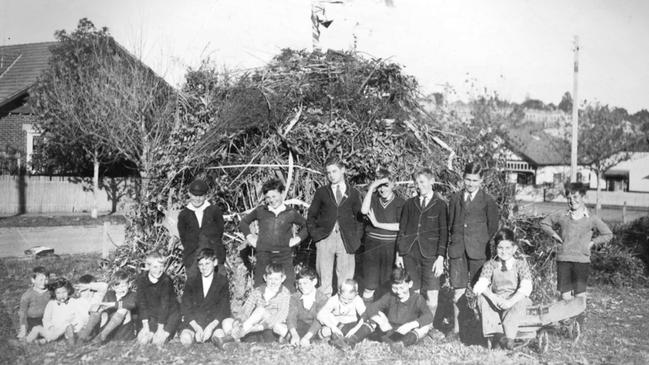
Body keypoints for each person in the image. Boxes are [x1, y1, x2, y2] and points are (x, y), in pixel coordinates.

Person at [447, 162, 499, 339]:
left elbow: (493, 227)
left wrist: (479, 240)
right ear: (463, 178)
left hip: (479, 251)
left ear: (481, 180)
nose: (470, 184)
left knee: (480, 290)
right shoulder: (455, 199)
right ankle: (456, 330)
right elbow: (450, 224)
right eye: (468, 179)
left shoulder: (487, 201)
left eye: (474, 180)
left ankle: (481, 330)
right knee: (458, 291)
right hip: (458, 251)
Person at [540, 182, 612, 302]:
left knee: (580, 296)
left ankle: (579, 320)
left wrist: (592, 242)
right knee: (565, 296)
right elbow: (544, 223)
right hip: (564, 259)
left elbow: (608, 234)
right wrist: (555, 236)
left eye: (575, 197)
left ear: (583, 197)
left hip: (581, 260)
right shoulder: (562, 215)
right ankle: (567, 320)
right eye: (569, 198)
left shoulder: (591, 218)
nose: (572, 201)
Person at [395, 168, 447, 333]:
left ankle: (428, 327)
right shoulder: (409, 204)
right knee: (414, 291)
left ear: (432, 182)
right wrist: (399, 254)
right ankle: (413, 325)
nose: (419, 186)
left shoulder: (440, 205)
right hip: (410, 254)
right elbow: (402, 230)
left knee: (432, 293)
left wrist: (440, 258)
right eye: (416, 183)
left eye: (422, 182)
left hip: (431, 255)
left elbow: (444, 233)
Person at [307, 157, 364, 297]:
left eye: (334, 171)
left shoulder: (354, 193)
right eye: (328, 172)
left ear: (343, 170)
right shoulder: (322, 192)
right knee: (324, 278)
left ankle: (343, 309)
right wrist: (317, 237)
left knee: (345, 279)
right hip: (325, 238)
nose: (331, 175)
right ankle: (323, 311)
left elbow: (360, 219)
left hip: (347, 240)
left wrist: (356, 238)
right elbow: (311, 216)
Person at [341, 267, 434, 352]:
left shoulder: (417, 298)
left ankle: (400, 345)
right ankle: (351, 341)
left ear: (410, 284)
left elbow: (429, 316)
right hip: (387, 332)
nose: (399, 292)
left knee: (425, 327)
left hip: (406, 334)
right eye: (395, 288)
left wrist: (411, 324)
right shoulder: (390, 296)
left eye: (402, 288)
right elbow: (371, 308)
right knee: (374, 318)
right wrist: (381, 321)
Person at [240, 178, 308, 291]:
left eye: (274, 196)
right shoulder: (261, 210)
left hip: (284, 256)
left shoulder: (290, 212)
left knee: (288, 288)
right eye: (268, 197)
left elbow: (307, 226)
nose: (271, 200)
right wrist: (250, 237)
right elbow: (244, 223)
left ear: (281, 194)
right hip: (263, 255)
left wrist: (298, 239)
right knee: (260, 287)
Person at [473, 228, 533, 350]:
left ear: (514, 248)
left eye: (507, 248)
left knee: (522, 302)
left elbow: (526, 286)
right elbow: (479, 286)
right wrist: (493, 298)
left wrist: (510, 302)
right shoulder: (491, 265)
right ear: (496, 248)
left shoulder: (520, 264)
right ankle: (498, 336)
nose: (504, 252)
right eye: (500, 248)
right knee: (482, 298)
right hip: (497, 300)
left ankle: (509, 339)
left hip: (514, 299)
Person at [360, 169, 405, 303]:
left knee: (388, 286)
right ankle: (367, 320)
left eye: (385, 185)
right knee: (369, 286)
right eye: (379, 186)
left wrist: (377, 224)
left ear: (393, 185)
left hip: (390, 248)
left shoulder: (400, 203)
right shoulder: (372, 199)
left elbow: (400, 226)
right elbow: (364, 210)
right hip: (372, 249)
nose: (382, 189)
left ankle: (385, 319)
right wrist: (371, 188)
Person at [179, 248, 234, 349]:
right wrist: (197, 328)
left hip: (213, 323)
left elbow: (224, 308)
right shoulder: (192, 281)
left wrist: (210, 327)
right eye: (201, 264)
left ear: (215, 263)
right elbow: (185, 307)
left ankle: (214, 339)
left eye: (207, 263)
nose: (204, 267)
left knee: (220, 337)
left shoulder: (222, 281)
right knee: (185, 338)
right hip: (195, 323)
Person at [177, 178, 225, 277]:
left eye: (201, 196)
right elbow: (183, 237)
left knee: (217, 286)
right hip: (193, 258)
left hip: (214, 255)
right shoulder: (184, 215)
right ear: (189, 194)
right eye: (194, 195)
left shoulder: (214, 210)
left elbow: (220, 231)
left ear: (206, 196)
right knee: (195, 288)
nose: (197, 199)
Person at [231, 264, 291, 342]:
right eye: (270, 279)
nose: (273, 282)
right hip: (256, 326)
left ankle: (239, 333)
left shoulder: (285, 293)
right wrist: (239, 321)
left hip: (273, 327)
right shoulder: (258, 291)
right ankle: (235, 339)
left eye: (276, 279)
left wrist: (260, 326)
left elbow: (281, 315)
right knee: (228, 322)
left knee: (261, 310)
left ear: (283, 279)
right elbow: (246, 309)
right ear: (265, 278)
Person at [135, 251, 181, 347]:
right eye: (155, 267)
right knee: (142, 340)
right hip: (153, 316)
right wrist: (146, 326)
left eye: (161, 266)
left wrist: (160, 330)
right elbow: (142, 303)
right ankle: (152, 331)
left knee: (157, 342)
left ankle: (169, 332)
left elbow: (165, 306)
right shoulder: (141, 279)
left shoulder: (166, 280)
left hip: (170, 315)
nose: (159, 270)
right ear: (148, 267)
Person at [83, 270, 138, 344]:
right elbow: (104, 309)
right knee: (96, 307)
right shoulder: (109, 294)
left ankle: (102, 336)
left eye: (123, 286)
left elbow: (132, 304)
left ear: (129, 285)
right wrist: (100, 308)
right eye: (118, 287)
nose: (121, 289)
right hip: (109, 327)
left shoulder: (132, 295)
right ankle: (85, 335)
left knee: (124, 309)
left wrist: (112, 304)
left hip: (124, 331)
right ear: (113, 287)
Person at [25, 278, 84, 345]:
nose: (61, 295)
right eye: (58, 293)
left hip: (66, 331)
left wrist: (74, 326)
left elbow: (79, 317)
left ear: (69, 291)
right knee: (36, 328)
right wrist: (50, 327)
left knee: (67, 326)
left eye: (64, 292)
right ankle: (26, 342)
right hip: (53, 330)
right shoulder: (51, 303)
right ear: (54, 293)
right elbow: (46, 319)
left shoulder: (73, 302)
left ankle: (58, 341)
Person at [285, 267, 329, 347]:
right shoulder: (294, 297)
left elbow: (318, 321)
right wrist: (294, 334)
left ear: (314, 282)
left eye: (305, 283)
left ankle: (309, 340)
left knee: (327, 331)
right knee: (278, 327)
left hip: (315, 329)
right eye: (299, 283)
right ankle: (295, 338)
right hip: (300, 327)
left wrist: (307, 337)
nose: (302, 286)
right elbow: (291, 317)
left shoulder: (322, 298)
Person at [317, 279, 366, 347]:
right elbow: (320, 315)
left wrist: (355, 329)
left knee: (368, 325)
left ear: (356, 294)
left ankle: (346, 340)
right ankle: (341, 340)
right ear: (339, 292)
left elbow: (365, 315)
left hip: (351, 325)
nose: (346, 301)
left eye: (350, 299)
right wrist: (332, 327)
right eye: (343, 298)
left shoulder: (357, 299)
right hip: (337, 324)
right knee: (325, 331)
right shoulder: (334, 299)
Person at [17, 266, 50, 340]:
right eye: (41, 280)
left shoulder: (50, 292)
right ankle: (33, 337)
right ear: (33, 280)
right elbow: (23, 312)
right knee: (36, 330)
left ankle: (45, 338)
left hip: (47, 318)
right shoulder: (27, 295)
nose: (44, 282)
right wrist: (23, 328)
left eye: (46, 279)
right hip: (34, 319)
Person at [74, 274, 108, 342]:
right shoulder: (76, 302)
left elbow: (105, 286)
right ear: (79, 291)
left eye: (91, 290)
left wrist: (88, 286)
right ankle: (83, 338)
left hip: (96, 326)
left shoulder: (97, 297)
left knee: (95, 310)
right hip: (82, 328)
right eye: (84, 290)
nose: (88, 293)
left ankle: (84, 337)